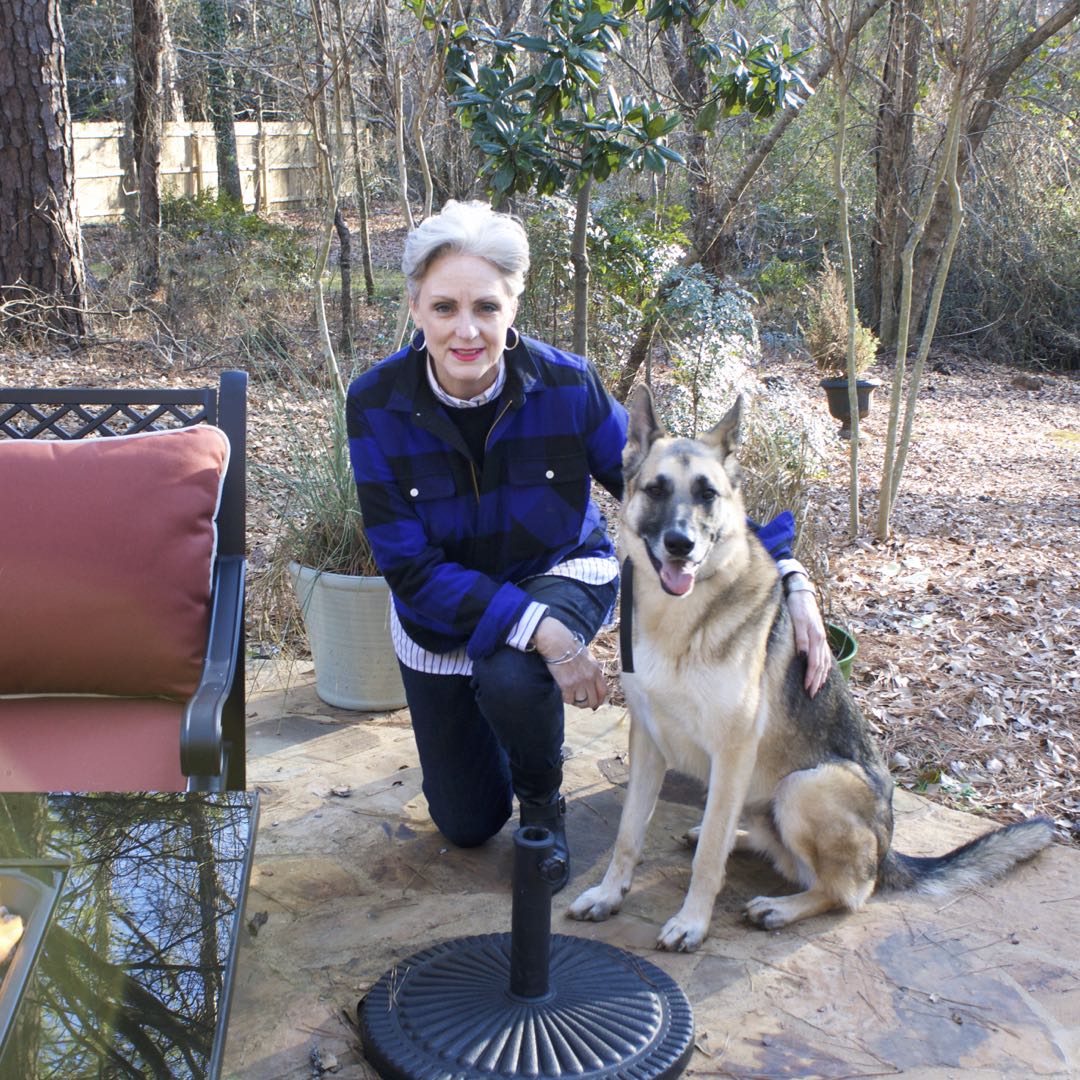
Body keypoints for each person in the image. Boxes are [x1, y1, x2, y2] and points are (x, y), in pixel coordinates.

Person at [346, 200, 828, 892]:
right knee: (467, 822)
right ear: (416, 306)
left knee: (512, 674)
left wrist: (787, 572)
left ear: (514, 303)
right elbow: (407, 567)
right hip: (440, 615)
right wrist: (539, 630)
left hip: (559, 571)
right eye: (445, 307)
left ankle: (544, 804)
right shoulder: (375, 404)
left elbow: (672, 491)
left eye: (487, 306)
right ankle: (497, 725)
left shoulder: (565, 386)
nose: (467, 330)